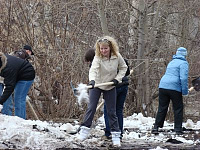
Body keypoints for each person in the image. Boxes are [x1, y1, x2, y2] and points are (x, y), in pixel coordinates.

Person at [78, 36, 128, 147]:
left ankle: (115, 135)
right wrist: (92, 81)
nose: (103, 51)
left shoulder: (117, 56)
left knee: (111, 111)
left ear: (110, 48)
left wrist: (117, 79)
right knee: (91, 108)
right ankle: (84, 131)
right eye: (101, 49)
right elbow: (93, 69)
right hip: (97, 84)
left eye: (105, 48)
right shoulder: (97, 57)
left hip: (110, 85)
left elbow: (124, 67)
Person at [84, 48, 130, 139]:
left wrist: (116, 79)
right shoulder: (116, 57)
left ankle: (109, 133)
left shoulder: (98, 62)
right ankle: (118, 132)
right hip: (124, 85)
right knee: (118, 110)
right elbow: (126, 70)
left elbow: (96, 75)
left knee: (108, 110)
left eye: (90, 61)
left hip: (114, 87)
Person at [152, 47, 189, 135]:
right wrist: (184, 91)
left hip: (163, 86)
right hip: (174, 88)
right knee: (178, 108)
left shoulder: (171, 62)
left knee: (162, 107)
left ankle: (156, 127)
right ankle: (178, 129)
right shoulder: (184, 63)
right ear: (185, 54)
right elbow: (183, 78)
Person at [0, 52, 35, 119]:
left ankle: (20, 120)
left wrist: (1, 101)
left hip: (27, 75)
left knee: (18, 98)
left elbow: (9, 87)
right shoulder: (2, 60)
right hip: (16, 74)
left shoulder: (8, 68)